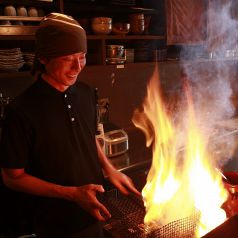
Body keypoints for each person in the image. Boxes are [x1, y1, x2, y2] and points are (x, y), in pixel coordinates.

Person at [0, 13, 140, 238]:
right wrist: (73, 194)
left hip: (94, 211)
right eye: (68, 58)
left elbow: (88, 136)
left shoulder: (85, 93)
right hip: (53, 224)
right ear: (44, 58)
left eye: (82, 56)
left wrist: (108, 168)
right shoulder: (21, 111)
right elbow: (12, 177)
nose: (77, 66)